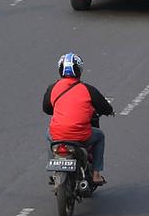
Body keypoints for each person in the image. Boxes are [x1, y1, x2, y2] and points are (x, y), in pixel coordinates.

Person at [43, 53, 115, 185]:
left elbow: (47, 109)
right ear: (79, 70)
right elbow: (104, 107)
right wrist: (110, 111)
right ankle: (96, 174)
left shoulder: (52, 88)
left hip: (57, 134)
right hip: (81, 136)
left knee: (48, 134)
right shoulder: (88, 89)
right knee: (100, 136)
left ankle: (54, 170)